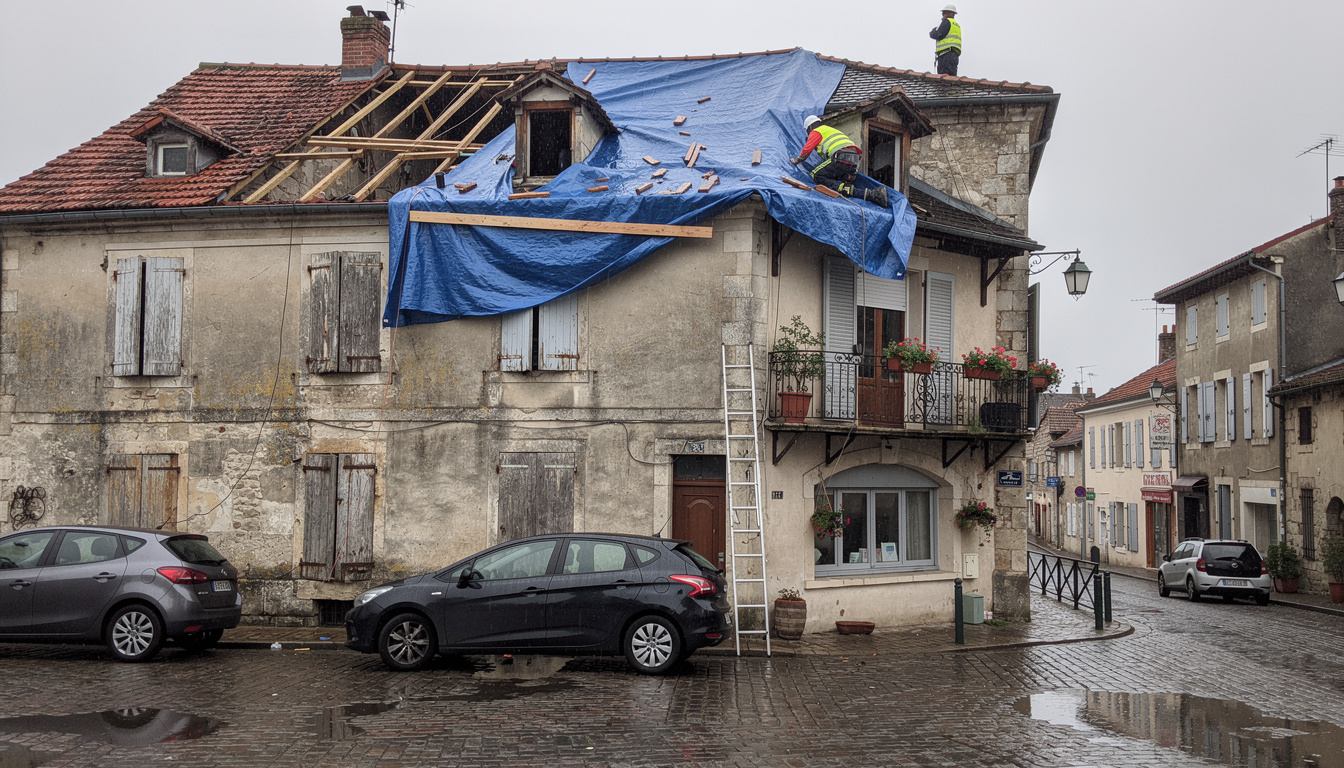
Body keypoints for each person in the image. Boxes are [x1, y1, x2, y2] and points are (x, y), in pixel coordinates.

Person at [790, 116, 888, 206]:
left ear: (810, 127)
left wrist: (797, 160)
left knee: (816, 175)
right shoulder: (830, 130)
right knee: (841, 183)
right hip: (854, 159)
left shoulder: (816, 131)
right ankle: (873, 194)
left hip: (841, 156)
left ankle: (840, 189)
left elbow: (807, 150)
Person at [929, 4, 961, 76]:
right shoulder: (956, 24)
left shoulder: (947, 22)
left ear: (951, 14)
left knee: (944, 77)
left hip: (946, 54)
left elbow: (939, 35)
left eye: (946, 13)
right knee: (951, 76)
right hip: (953, 54)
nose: (944, 15)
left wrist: (933, 33)